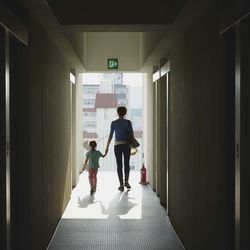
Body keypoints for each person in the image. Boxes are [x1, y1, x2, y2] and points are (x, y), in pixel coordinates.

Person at [105, 106, 134, 191]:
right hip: (126, 145)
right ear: (125, 113)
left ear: (117, 113)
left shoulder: (113, 123)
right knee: (126, 164)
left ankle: (121, 184)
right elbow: (131, 135)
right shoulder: (128, 122)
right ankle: (127, 182)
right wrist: (132, 146)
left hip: (117, 146)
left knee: (119, 165)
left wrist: (107, 146)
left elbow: (111, 135)